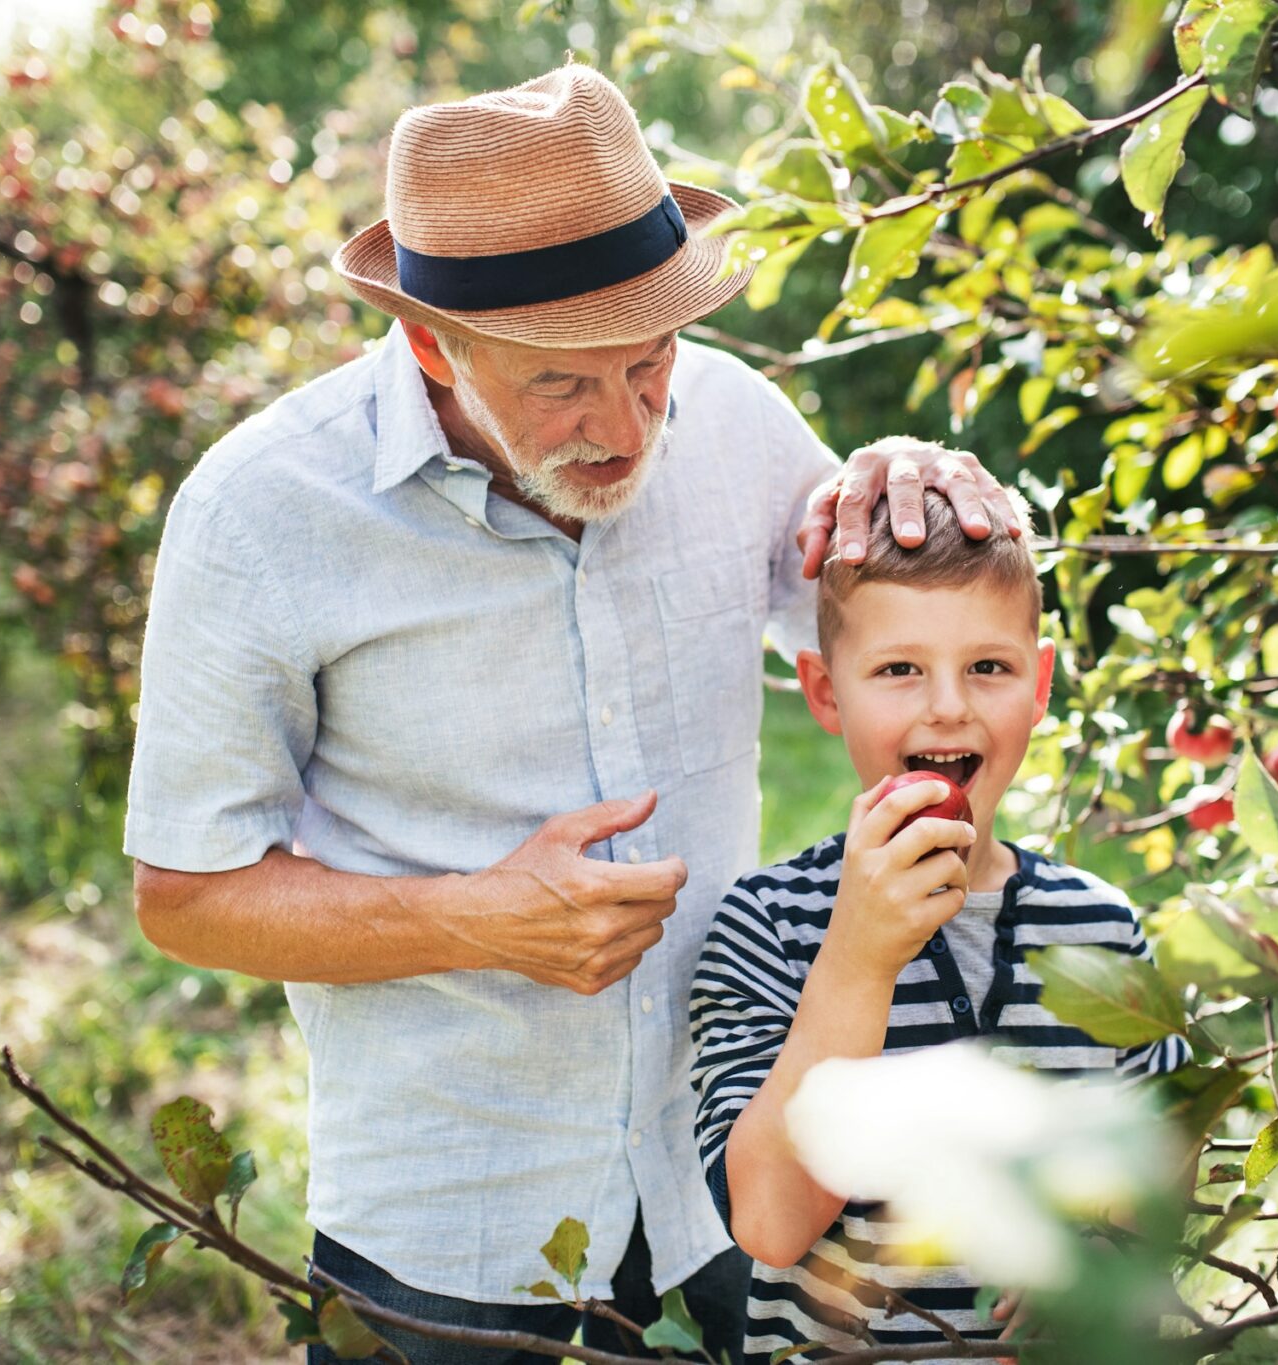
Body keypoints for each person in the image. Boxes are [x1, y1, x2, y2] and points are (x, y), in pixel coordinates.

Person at [123, 64, 1023, 1365]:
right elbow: (184, 896)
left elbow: (903, 635)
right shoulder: (261, 513)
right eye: (559, 385)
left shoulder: (735, 422)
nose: (624, 426)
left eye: (648, 362)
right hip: (458, 1211)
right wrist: (470, 918)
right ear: (431, 346)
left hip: (735, 1160)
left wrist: (917, 487)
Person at [689, 491, 1190, 1363]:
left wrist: (1105, 1251)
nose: (949, 706)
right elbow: (770, 1221)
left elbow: (1166, 1160)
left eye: (988, 666)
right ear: (824, 691)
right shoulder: (767, 926)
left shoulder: (1101, 927)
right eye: (899, 669)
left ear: (1040, 684)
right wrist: (857, 957)